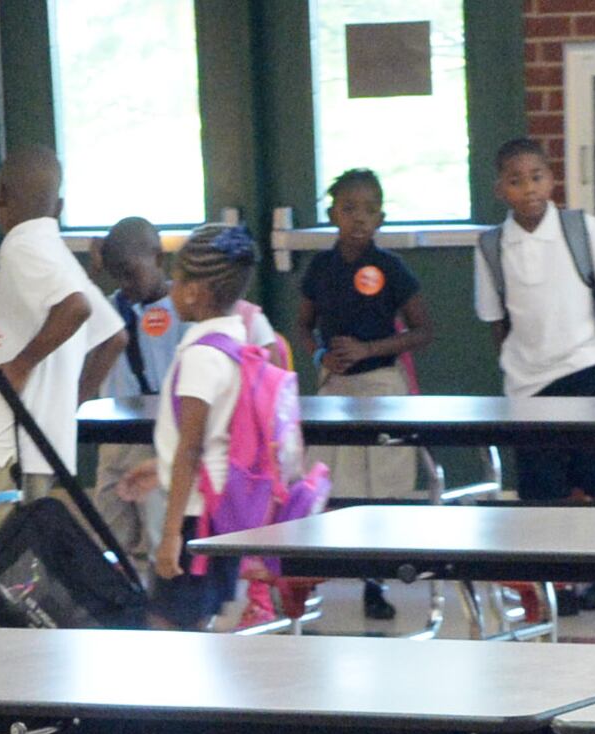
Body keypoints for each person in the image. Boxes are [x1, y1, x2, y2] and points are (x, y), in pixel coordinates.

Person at [0, 147, 119, 625]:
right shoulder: (58, 253)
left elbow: (76, 309)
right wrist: (68, 403)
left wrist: (23, 365)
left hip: (6, 450)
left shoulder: (24, 248)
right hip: (41, 450)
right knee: (25, 587)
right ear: (60, 207)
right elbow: (114, 337)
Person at [472, 136, 595, 518]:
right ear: (500, 190)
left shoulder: (581, 227)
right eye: (516, 180)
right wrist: (516, 366)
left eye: (536, 177)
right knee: (544, 493)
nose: (529, 188)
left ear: (551, 180)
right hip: (530, 386)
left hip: (588, 367)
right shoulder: (491, 246)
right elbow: (496, 321)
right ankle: (558, 576)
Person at [147, 226, 293, 638]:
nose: (171, 289)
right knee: (194, 625)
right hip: (217, 509)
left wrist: (171, 534)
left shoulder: (201, 357)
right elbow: (214, 435)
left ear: (193, 292)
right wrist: (153, 466)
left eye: (176, 280)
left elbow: (191, 449)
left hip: (195, 518)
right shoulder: (234, 343)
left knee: (168, 627)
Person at [296, 165, 430, 611]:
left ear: (382, 219)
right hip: (336, 385)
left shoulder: (391, 269)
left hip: (382, 382)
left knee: (382, 484)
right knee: (336, 481)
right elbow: (302, 324)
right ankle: (314, 573)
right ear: (333, 214)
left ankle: (377, 582)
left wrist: (370, 348)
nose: (359, 218)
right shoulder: (321, 268)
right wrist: (321, 356)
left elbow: (422, 330)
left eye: (369, 210)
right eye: (349, 208)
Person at [88, 218, 172, 564]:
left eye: (131, 273)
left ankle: (161, 607)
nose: (125, 285)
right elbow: (79, 310)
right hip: (116, 436)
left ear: (158, 259)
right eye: (116, 275)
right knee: (110, 528)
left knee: (158, 527)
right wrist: (93, 276)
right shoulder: (109, 308)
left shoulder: (185, 310)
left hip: (161, 436)